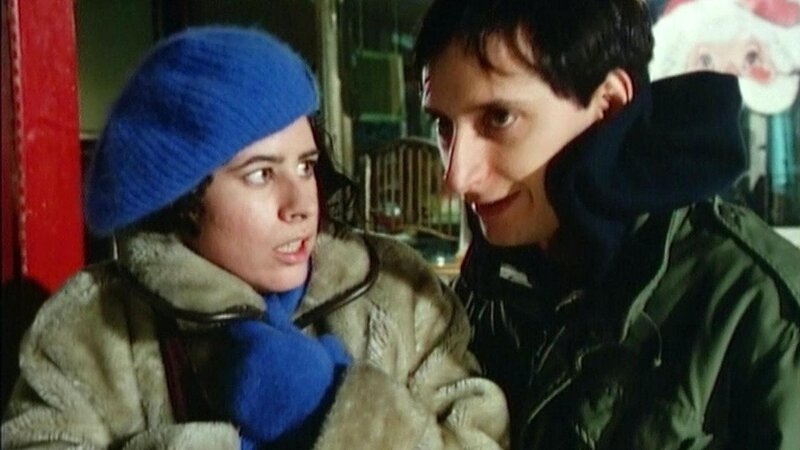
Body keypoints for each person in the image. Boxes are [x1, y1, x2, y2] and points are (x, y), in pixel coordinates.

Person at [2, 26, 509, 449]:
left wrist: (330, 406)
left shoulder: (397, 294)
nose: (301, 203)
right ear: (185, 197)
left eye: (306, 166)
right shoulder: (91, 328)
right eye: (261, 174)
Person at [414, 0, 800, 448]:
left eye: (499, 118)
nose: (457, 177)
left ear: (609, 104)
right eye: (444, 126)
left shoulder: (759, 312)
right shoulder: (487, 285)